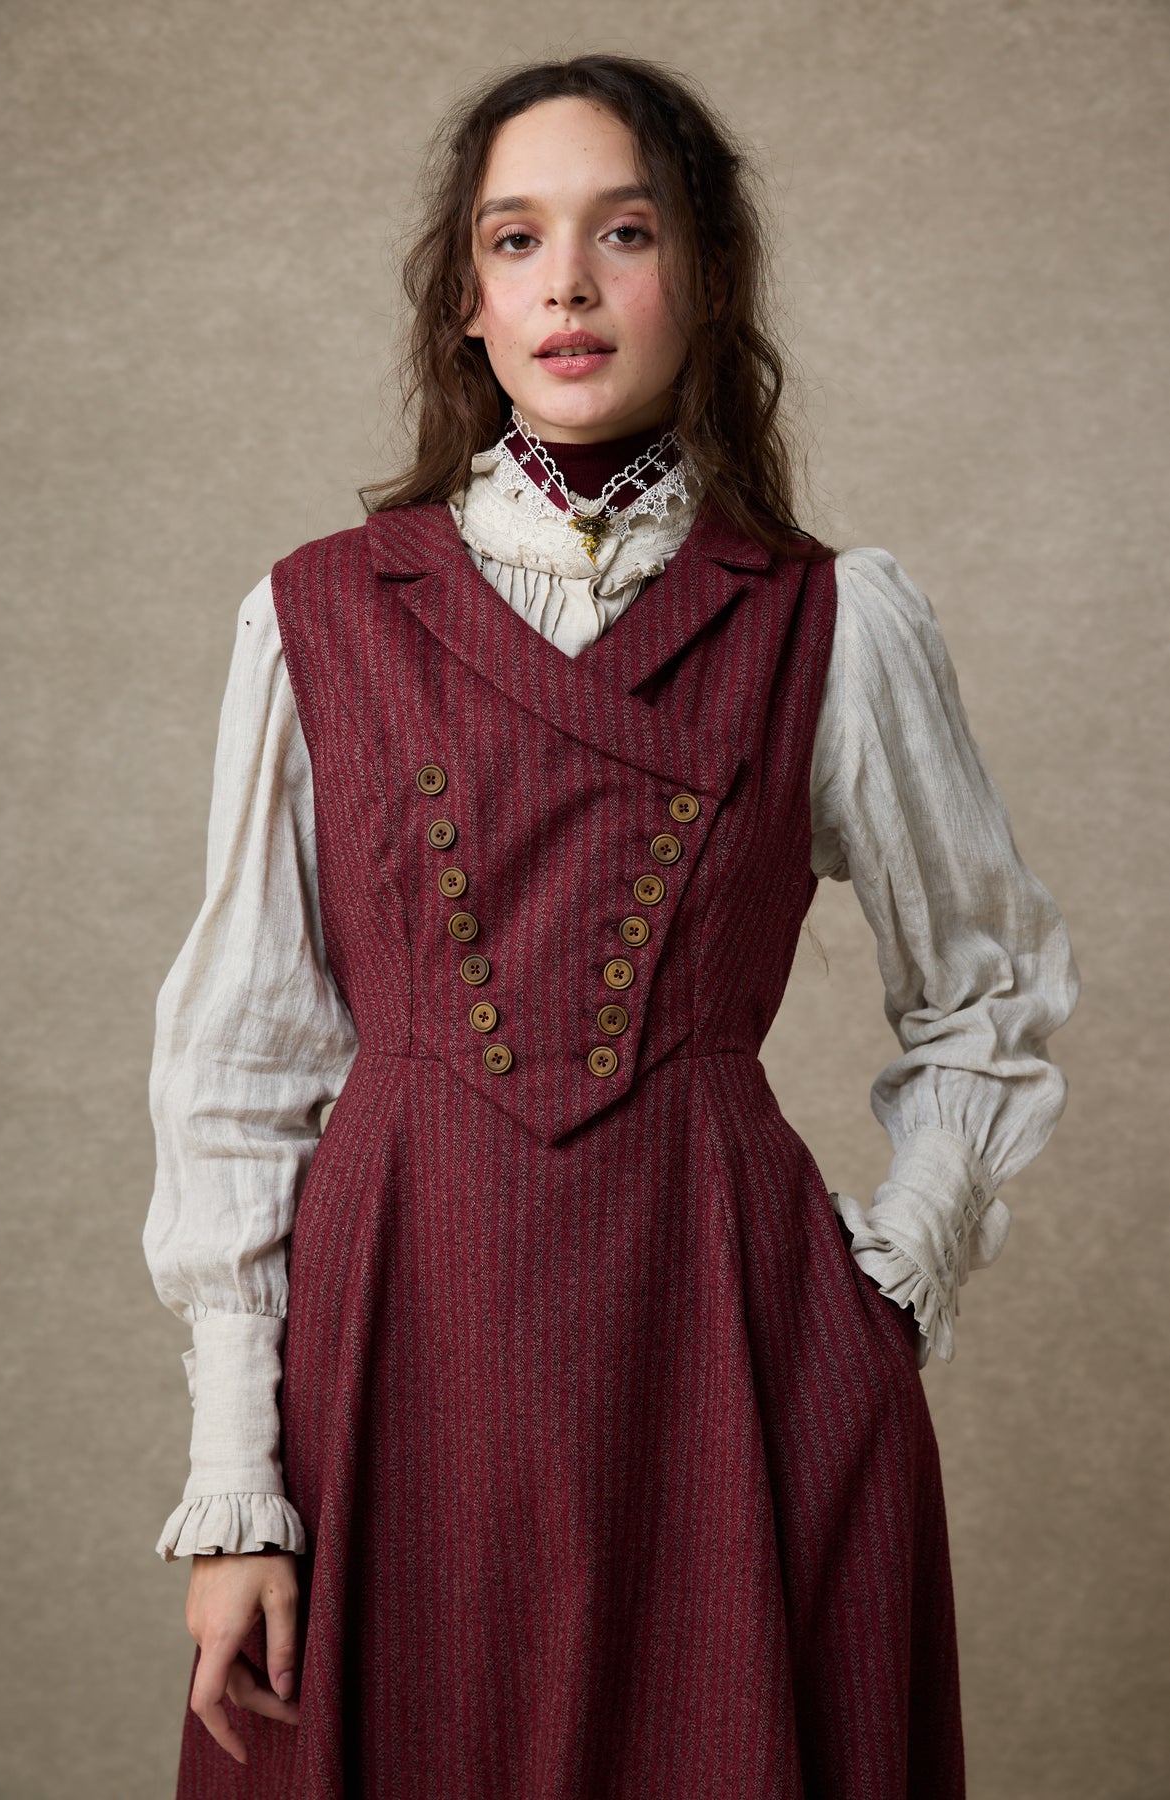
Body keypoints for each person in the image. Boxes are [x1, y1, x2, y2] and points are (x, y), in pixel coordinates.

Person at [143, 52, 1081, 1800]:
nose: (566, 282)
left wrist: (890, 1281)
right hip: (392, 1352)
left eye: (623, 233)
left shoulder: (835, 621)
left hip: (724, 1354)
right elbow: (238, 1073)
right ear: (466, 302)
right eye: (515, 240)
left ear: (704, 278)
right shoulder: (315, 618)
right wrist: (236, 1484)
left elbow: (990, 989)